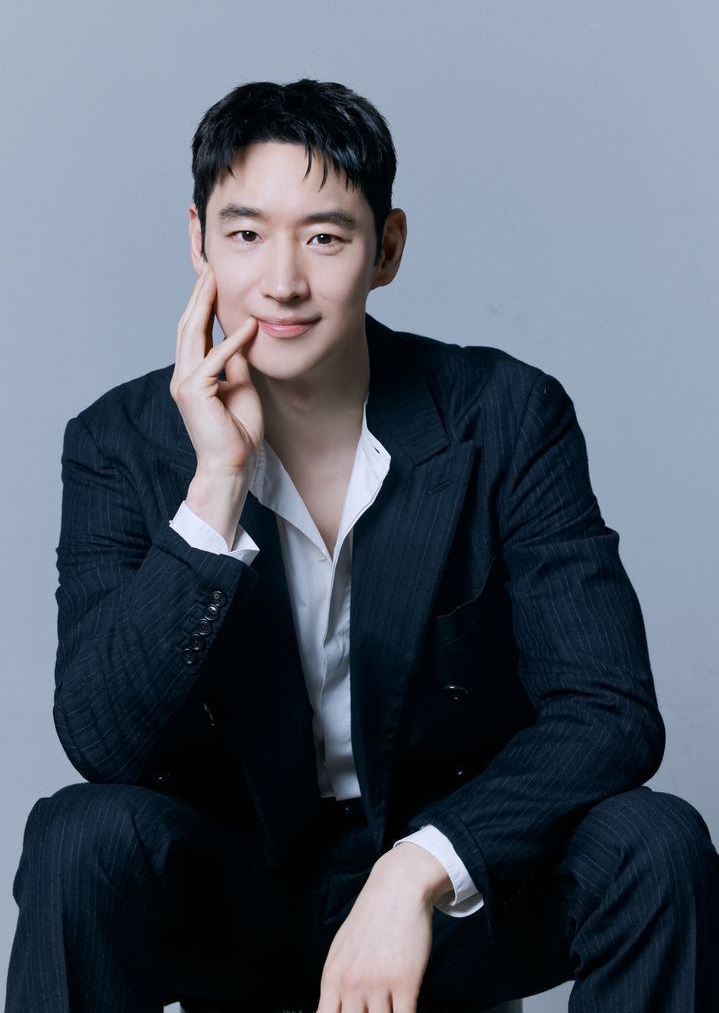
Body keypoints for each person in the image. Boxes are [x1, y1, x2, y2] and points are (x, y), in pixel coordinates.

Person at [6, 79, 718, 1013]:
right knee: (80, 834)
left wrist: (421, 865)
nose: (281, 281)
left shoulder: (504, 416)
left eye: (325, 238)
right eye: (244, 234)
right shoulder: (117, 441)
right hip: (235, 896)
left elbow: (608, 708)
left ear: (386, 248)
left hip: (446, 886)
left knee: (654, 843)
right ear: (198, 241)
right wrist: (216, 486)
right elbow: (101, 739)